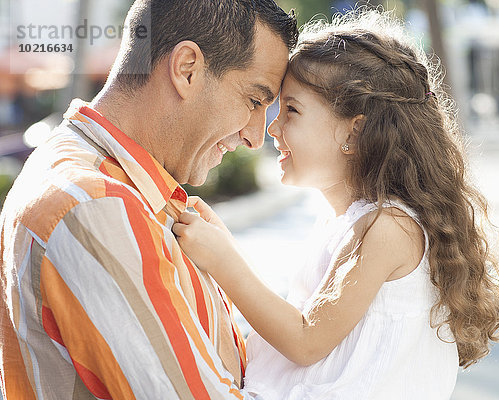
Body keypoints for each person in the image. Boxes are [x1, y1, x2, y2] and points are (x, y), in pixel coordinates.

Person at [173, 9, 499, 400]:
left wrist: (223, 260)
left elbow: (306, 340)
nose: (272, 128)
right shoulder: (352, 223)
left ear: (356, 128)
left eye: (292, 110)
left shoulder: (387, 228)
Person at [0, 0, 297, 398]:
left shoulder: (110, 187)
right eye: (255, 101)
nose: (255, 136)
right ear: (187, 68)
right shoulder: (97, 205)